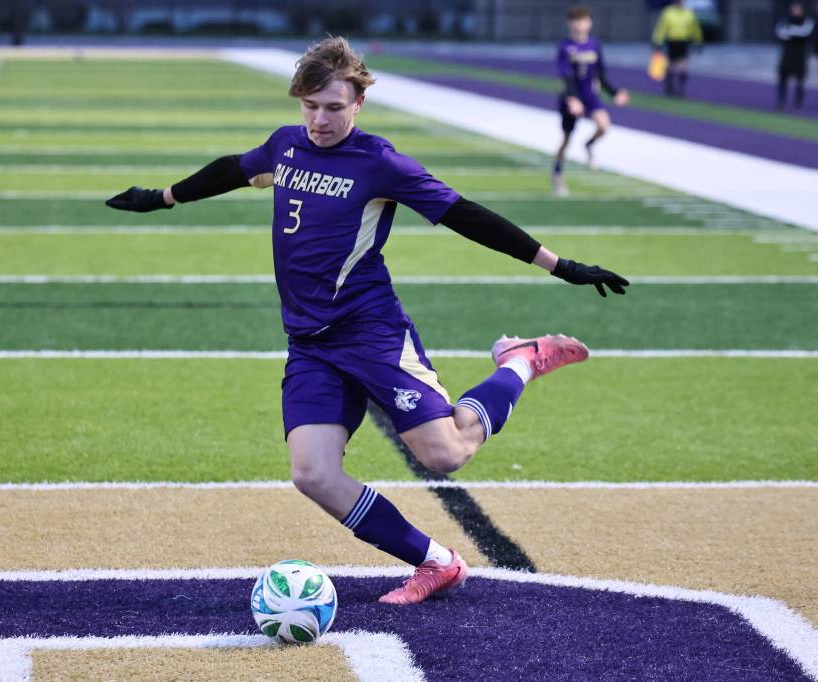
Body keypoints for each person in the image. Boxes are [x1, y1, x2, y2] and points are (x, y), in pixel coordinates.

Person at [107, 37, 629, 605]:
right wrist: (162, 197)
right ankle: (436, 563)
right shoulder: (287, 146)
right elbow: (234, 169)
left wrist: (560, 266)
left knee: (445, 454)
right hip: (309, 344)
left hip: (371, 332)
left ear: (358, 104)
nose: (320, 119)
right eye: (310, 106)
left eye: (334, 108)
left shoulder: (380, 163)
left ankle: (519, 363)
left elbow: (467, 216)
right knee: (312, 475)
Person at [552, 5, 630, 197]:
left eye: (584, 21)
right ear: (570, 24)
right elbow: (566, 77)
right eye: (576, 21)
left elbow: (601, 74)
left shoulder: (595, 45)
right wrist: (572, 99)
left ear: (590, 23)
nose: (580, 25)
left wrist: (615, 93)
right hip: (571, 98)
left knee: (604, 125)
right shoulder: (565, 47)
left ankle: (589, 145)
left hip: (590, 96)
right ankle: (557, 174)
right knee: (567, 139)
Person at [651, 0, 704, 97]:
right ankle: (669, 87)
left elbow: (695, 28)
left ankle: (681, 88)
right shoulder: (668, 12)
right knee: (671, 65)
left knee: (683, 67)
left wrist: (698, 40)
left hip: (684, 42)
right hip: (672, 42)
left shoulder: (689, 13)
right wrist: (657, 40)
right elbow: (661, 27)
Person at [775, 1, 815, 110]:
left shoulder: (807, 20)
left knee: (800, 80)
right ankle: (781, 101)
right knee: (782, 77)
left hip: (800, 55)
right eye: (794, 8)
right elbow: (780, 32)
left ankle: (798, 101)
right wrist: (793, 33)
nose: (795, 10)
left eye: (797, 8)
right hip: (787, 54)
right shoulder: (785, 19)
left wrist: (790, 32)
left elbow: (805, 32)